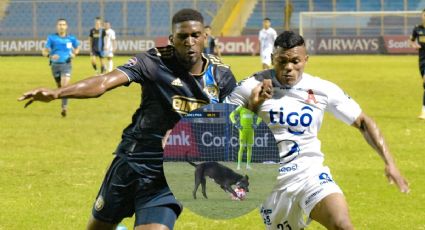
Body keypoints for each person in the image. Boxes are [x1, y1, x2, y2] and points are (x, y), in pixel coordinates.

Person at [19, 9, 236, 230]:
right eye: (182, 37)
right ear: (172, 40)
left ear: (205, 37)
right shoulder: (153, 61)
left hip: (170, 175)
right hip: (132, 161)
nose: (190, 42)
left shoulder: (221, 77)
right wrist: (58, 93)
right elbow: (103, 82)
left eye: (195, 35)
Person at [225, 31, 409, 230]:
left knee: (343, 225)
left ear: (306, 59)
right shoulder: (250, 87)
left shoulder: (321, 89)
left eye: (295, 61)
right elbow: (224, 133)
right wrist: (253, 106)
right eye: (282, 61)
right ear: (272, 59)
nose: (289, 68)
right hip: (271, 184)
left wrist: (390, 163)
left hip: (310, 174)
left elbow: (363, 121)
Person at [41, 18, 80, 117]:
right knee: (59, 88)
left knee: (65, 87)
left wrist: (75, 53)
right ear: (57, 26)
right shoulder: (52, 38)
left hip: (66, 64)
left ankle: (64, 107)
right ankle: (62, 101)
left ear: (66, 26)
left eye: (63, 24)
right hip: (55, 65)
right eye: (59, 24)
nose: (61, 26)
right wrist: (50, 55)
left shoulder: (71, 38)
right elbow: (44, 51)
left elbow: (77, 47)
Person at [229, 105, 262, 170]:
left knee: (249, 147)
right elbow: (231, 115)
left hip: (251, 131)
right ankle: (238, 166)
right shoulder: (240, 107)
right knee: (241, 147)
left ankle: (248, 165)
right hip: (242, 131)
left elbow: (261, 116)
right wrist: (236, 124)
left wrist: (256, 124)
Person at [408, 8, 425, 119]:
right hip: (422, 60)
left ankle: (423, 112)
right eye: (424, 15)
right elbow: (411, 41)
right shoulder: (417, 29)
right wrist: (413, 45)